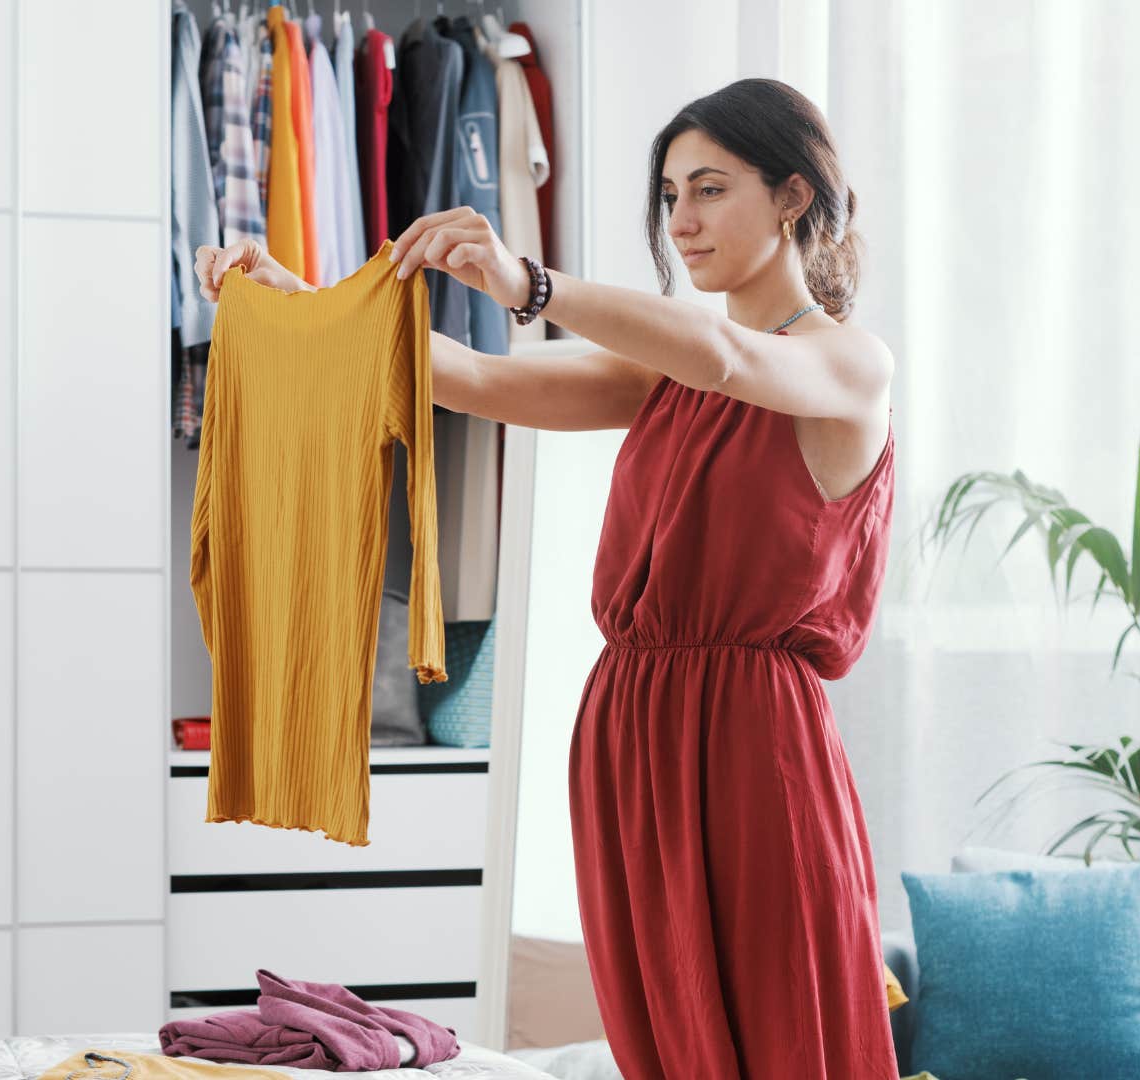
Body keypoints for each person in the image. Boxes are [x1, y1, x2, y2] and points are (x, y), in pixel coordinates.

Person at [195, 77, 899, 1079]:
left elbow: (731, 360)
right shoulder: (670, 368)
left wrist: (530, 283)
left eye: (709, 189)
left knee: (780, 1028)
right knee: (662, 1033)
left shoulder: (849, 368)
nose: (682, 221)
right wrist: (299, 300)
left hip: (752, 741)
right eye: (668, 196)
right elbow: (472, 379)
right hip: (629, 731)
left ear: (793, 198)